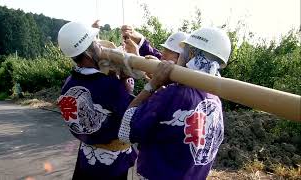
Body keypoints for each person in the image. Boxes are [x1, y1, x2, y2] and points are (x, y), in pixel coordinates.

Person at [118, 27, 231, 180]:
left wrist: (152, 85)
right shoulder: (215, 99)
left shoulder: (173, 94)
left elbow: (126, 132)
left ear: (190, 54)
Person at [57, 21, 136, 180]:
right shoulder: (108, 85)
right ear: (88, 54)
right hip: (111, 162)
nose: (100, 46)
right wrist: (128, 90)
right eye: (96, 43)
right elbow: (132, 115)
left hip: (87, 155)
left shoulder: (69, 83)